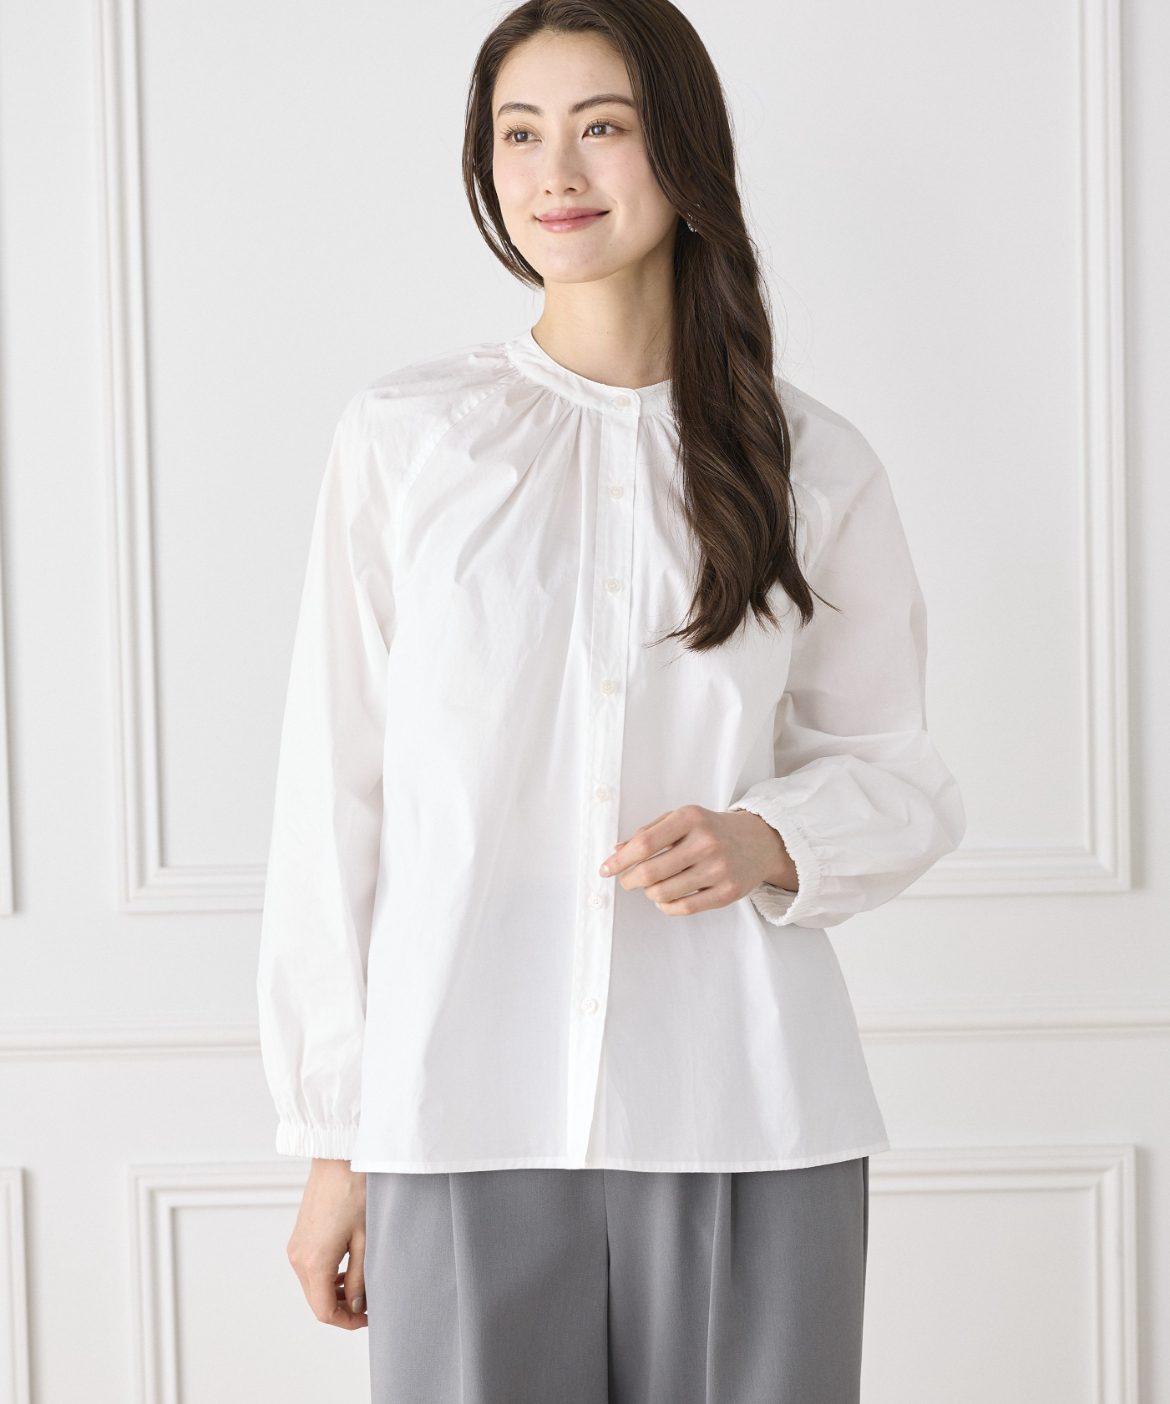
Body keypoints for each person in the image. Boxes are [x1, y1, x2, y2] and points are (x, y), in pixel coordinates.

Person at [256, 1, 965, 1399]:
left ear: (683, 152)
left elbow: (897, 768)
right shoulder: (407, 440)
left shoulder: (809, 462)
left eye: (602, 127)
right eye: (519, 134)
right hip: (457, 1104)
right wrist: (333, 1138)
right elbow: (334, 797)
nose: (556, 172)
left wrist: (769, 839)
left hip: (742, 1105)